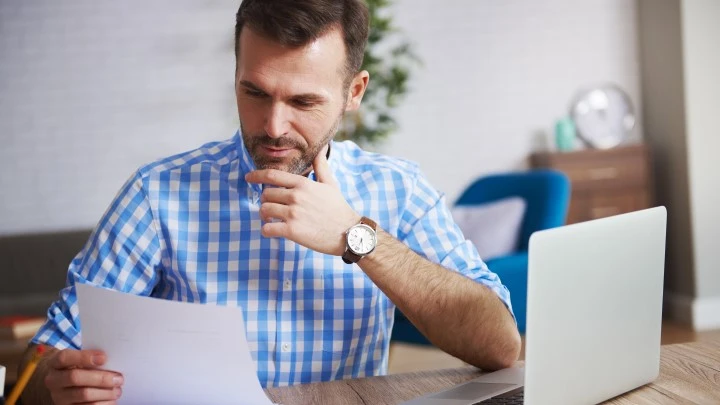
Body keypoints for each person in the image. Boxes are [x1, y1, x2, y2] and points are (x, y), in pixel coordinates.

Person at [19, 0, 521, 403]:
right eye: (254, 92)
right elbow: (40, 362)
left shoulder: (399, 189)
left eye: (304, 102)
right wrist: (55, 382)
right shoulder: (157, 194)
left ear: (355, 91)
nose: (274, 126)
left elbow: (499, 346)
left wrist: (357, 238)